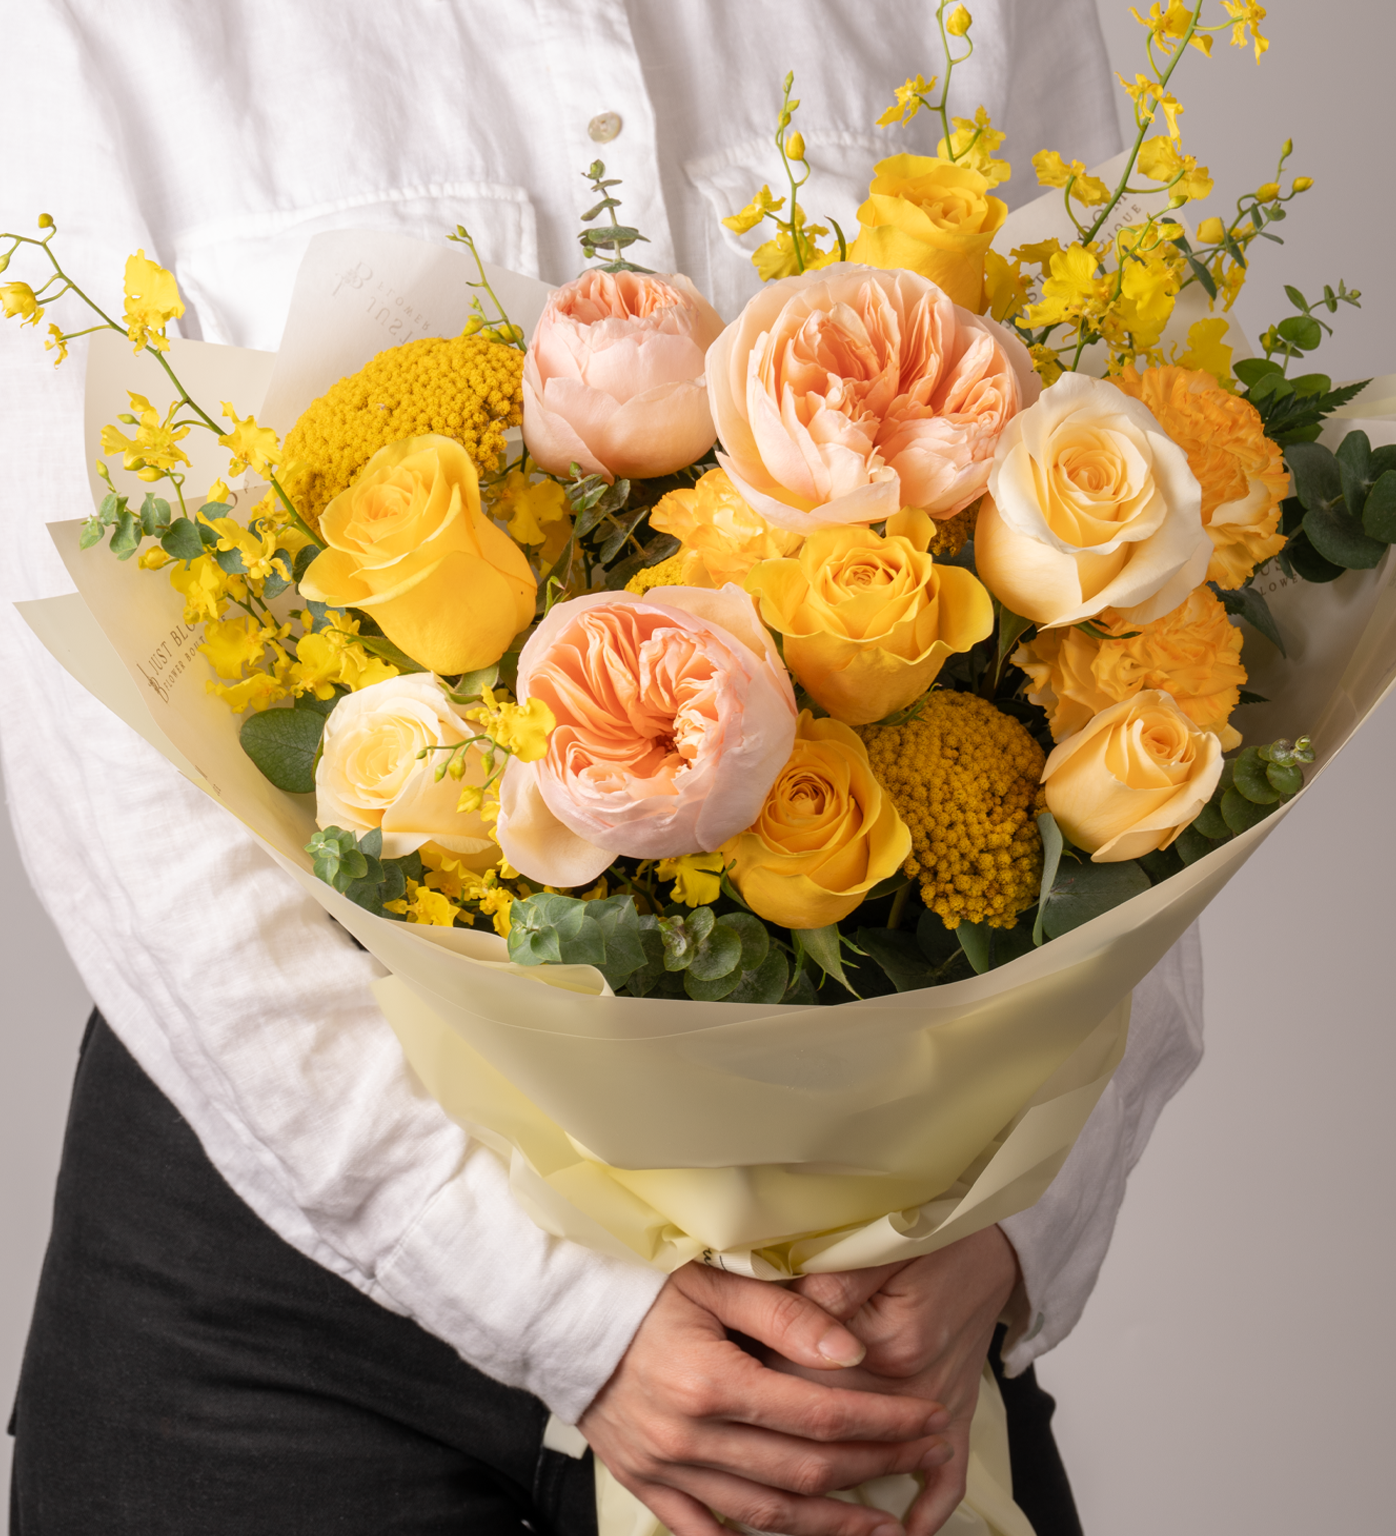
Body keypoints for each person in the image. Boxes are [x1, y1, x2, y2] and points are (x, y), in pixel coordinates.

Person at [0, 4, 1204, 1533]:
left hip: (868, 1312)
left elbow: (1156, 623)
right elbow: (115, 781)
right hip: (287, 1311)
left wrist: (1018, 1229)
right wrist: (583, 1315)